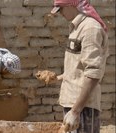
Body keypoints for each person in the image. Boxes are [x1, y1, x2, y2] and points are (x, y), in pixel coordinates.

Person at [36, 0, 109, 132]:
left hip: (83, 107)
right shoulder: (77, 27)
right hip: (74, 103)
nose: (60, 14)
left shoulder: (90, 29)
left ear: (71, 5)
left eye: (61, 10)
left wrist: (76, 111)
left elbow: (93, 73)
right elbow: (78, 68)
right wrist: (57, 78)